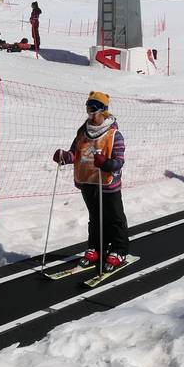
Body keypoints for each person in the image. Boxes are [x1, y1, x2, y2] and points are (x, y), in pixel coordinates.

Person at [52, 91, 129, 273]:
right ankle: (96, 248)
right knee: (95, 217)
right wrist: (64, 156)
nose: (90, 114)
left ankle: (119, 250)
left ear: (103, 111)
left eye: (94, 109)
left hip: (107, 183)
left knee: (115, 217)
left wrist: (106, 163)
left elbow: (119, 161)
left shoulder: (114, 134)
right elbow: (76, 154)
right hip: (87, 181)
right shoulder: (83, 132)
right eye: (88, 108)